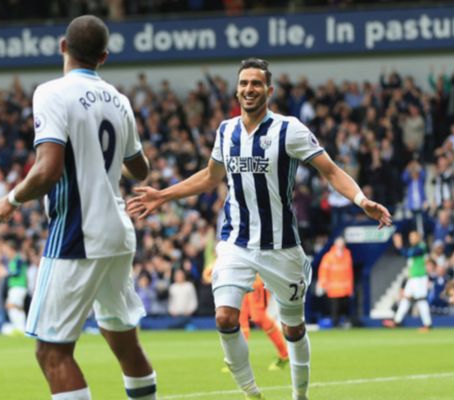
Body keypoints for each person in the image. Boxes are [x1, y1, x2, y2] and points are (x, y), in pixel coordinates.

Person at [128, 58, 391, 400]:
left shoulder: (289, 129)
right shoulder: (226, 131)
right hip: (236, 242)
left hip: (282, 247)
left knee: (293, 326)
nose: (249, 89)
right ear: (236, 90)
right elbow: (211, 177)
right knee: (224, 317)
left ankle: (300, 396)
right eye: (244, 83)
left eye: (256, 84)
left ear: (269, 90)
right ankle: (253, 394)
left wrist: (360, 199)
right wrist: (163, 195)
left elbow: (330, 170)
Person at [0, 15, 156, 400]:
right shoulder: (120, 99)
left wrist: (11, 200)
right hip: (118, 231)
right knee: (125, 344)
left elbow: (47, 170)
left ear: (63, 46)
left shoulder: (51, 92)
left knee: (51, 351)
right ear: (104, 57)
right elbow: (140, 169)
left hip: (79, 233)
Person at [383, 231, 432, 331]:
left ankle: (428, 324)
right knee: (405, 299)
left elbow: (409, 253)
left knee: (421, 300)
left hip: (420, 277)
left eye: (413, 237)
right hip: (413, 278)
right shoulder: (413, 248)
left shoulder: (421, 247)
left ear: (418, 238)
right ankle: (397, 321)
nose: (411, 239)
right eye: (410, 237)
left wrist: (400, 246)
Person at [239, 274, 289, 371]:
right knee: (241, 316)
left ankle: (284, 354)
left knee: (258, 316)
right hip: (243, 275)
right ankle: (238, 360)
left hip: (258, 276)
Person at [317, 237, 354, 328]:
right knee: (335, 308)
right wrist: (323, 285)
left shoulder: (347, 255)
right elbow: (323, 272)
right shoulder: (329, 256)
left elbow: (349, 273)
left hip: (344, 289)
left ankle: (341, 323)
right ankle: (335, 324)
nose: (340, 246)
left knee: (343, 308)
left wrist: (350, 288)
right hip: (333, 288)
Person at [4, 242, 28, 335]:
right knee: (16, 307)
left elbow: (17, 272)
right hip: (16, 287)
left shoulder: (18, 259)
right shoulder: (14, 260)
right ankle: (19, 327)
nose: (6, 252)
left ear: (12, 250)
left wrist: (7, 272)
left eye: (7, 250)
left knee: (12, 306)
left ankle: (21, 328)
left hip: (18, 286)